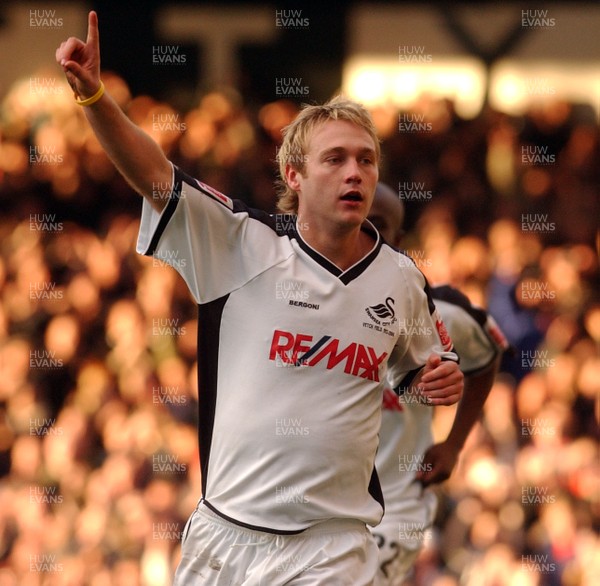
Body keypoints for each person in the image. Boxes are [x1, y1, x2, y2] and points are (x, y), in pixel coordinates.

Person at [56, 13, 463, 585]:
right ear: (294, 175)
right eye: (335, 158)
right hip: (226, 540)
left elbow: (415, 371)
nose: (356, 172)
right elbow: (155, 177)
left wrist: (435, 381)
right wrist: (96, 98)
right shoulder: (240, 242)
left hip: (334, 547)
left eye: (366, 159)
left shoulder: (401, 278)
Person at [368, 182, 510, 585]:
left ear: (397, 239)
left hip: (394, 509)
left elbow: (487, 354)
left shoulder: (439, 309)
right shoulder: (307, 300)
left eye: (375, 224)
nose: (363, 232)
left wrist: (454, 444)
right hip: (323, 508)